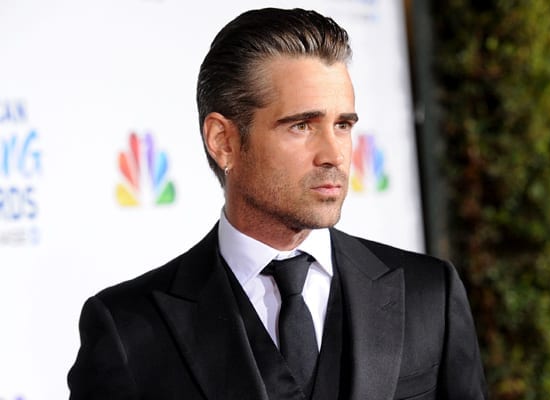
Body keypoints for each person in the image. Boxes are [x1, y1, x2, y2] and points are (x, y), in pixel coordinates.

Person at [68, 8, 487, 400]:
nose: (334, 154)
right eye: (302, 125)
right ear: (223, 141)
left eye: (342, 125)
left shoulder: (429, 294)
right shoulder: (128, 329)